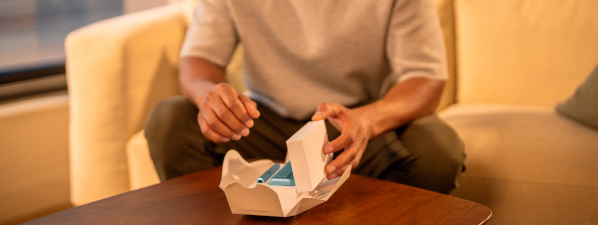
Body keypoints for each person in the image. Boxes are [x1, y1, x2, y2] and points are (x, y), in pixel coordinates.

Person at [145, 0, 465, 194]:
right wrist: (209, 97)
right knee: (169, 120)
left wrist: (368, 119)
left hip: (354, 126)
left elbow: (426, 78)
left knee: (435, 151)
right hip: (262, 122)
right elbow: (198, 61)